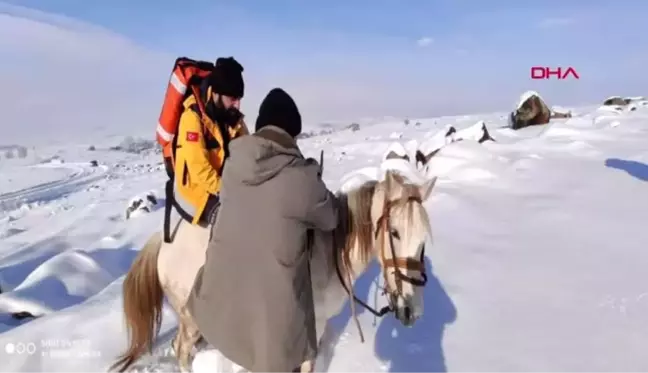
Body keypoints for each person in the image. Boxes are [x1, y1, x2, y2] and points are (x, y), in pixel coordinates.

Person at [186, 88, 339, 373]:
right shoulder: (300, 178)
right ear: (293, 133)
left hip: (220, 307)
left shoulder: (233, 165)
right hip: (270, 330)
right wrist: (313, 176)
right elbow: (330, 218)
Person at [171, 56, 250, 227]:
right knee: (229, 224)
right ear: (217, 93)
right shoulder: (192, 117)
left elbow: (249, 150)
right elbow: (199, 168)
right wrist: (227, 190)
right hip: (195, 191)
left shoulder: (232, 117)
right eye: (232, 98)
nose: (236, 104)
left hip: (222, 184)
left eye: (238, 98)